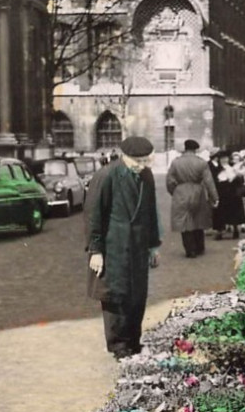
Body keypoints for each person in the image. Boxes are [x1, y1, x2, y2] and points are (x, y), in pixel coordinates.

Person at [86, 135, 161, 360]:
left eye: (146, 161)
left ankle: (133, 341)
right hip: (113, 247)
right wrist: (95, 250)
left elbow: (151, 212)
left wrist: (153, 246)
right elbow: (93, 215)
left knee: (137, 295)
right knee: (115, 295)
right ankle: (119, 345)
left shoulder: (146, 176)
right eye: (137, 161)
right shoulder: (106, 176)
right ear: (124, 157)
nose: (142, 166)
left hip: (138, 246)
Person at [166, 139, 218, 258]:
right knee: (198, 219)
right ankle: (200, 247)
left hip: (181, 192)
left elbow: (169, 181)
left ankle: (190, 249)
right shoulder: (201, 162)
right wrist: (214, 197)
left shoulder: (176, 162)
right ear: (196, 149)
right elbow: (209, 181)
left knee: (184, 222)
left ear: (185, 148)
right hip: (197, 191)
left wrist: (174, 191)